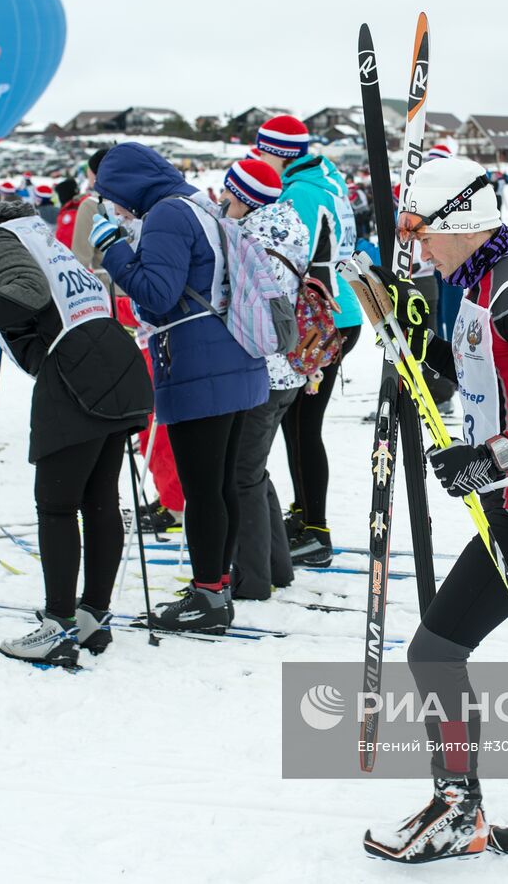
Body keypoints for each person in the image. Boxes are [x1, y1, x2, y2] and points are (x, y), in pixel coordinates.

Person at [365, 156, 508, 864]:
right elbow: (479, 369)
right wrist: (407, 334)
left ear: (460, 220)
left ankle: (458, 806)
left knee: (434, 650)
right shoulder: (473, 282)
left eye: (419, 228)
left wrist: (491, 455)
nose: (416, 243)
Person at [0, 196, 152, 667]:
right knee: (100, 498)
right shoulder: (33, 231)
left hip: (76, 373)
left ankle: (58, 626)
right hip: (113, 360)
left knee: (57, 504)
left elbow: (28, 291)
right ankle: (93, 616)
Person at [93, 142, 268, 633]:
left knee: (202, 489)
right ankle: (218, 585)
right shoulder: (199, 203)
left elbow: (155, 296)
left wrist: (114, 251)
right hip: (234, 354)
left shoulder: (167, 214)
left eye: (113, 195)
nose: (115, 206)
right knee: (221, 482)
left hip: (199, 361)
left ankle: (208, 596)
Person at [252, 115, 364, 565]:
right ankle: (304, 516)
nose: (260, 159)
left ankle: (315, 530)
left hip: (322, 319)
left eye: (263, 151)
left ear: (279, 152)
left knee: (301, 426)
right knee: (297, 424)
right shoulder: (327, 180)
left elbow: (293, 258)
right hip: (338, 313)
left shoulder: (298, 192)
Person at [216, 159, 311, 601]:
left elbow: (230, 297)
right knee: (253, 470)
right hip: (290, 367)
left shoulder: (248, 238)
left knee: (242, 475)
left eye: (228, 194)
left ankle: (252, 579)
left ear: (247, 197)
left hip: (263, 369)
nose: (222, 201)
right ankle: (277, 566)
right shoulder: (289, 225)